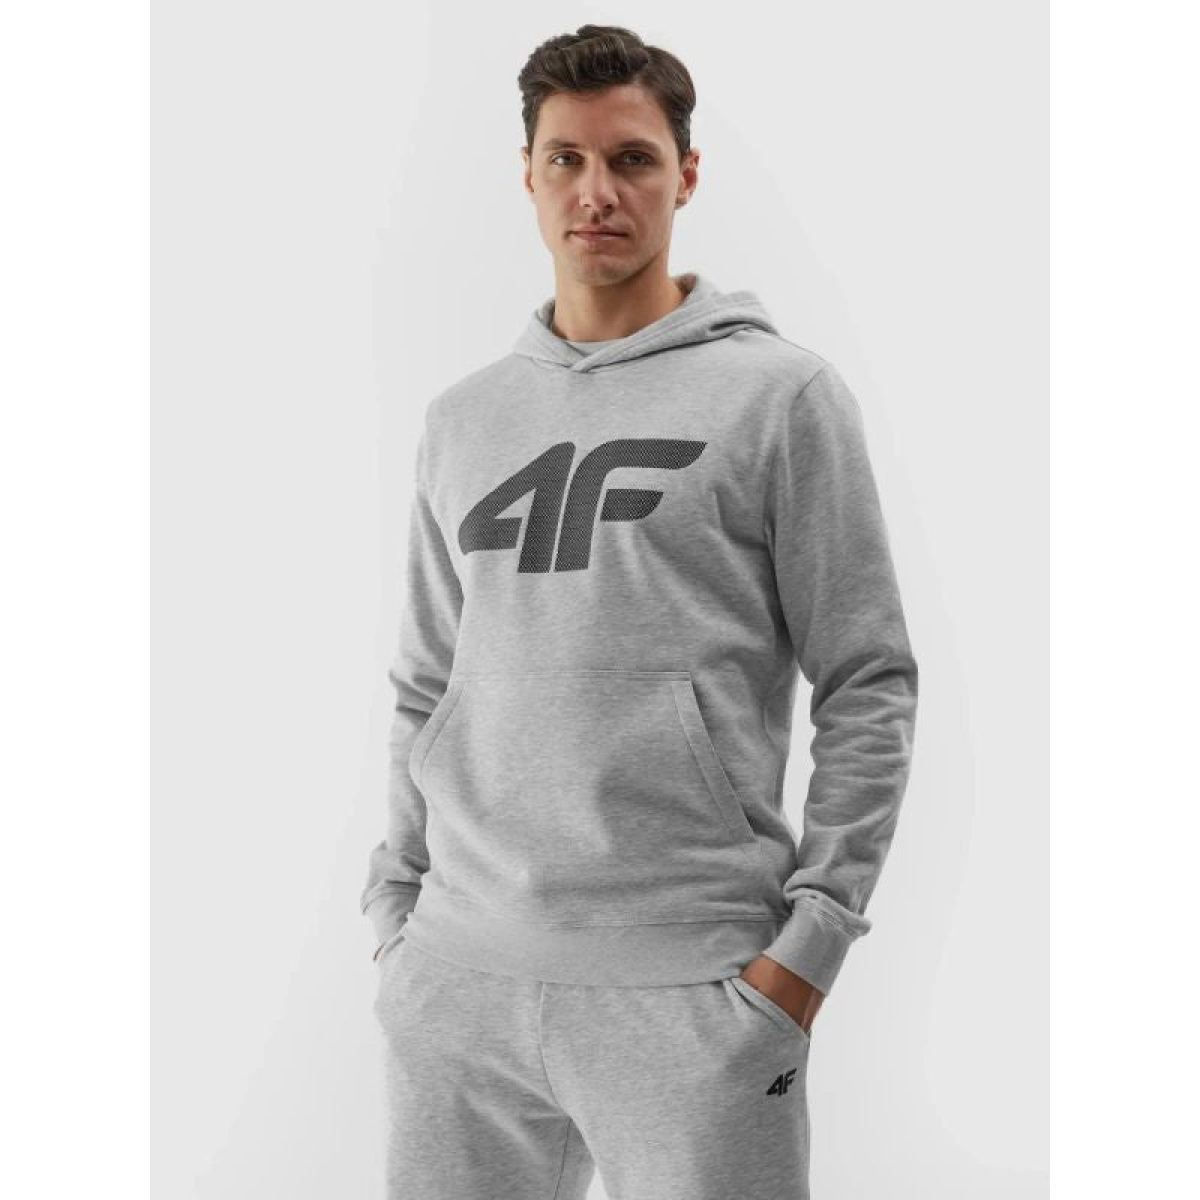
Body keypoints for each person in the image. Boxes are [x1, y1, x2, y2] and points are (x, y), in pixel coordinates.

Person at [360, 23, 918, 1200]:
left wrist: (809, 949)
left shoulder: (780, 398)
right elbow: (427, 679)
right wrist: (394, 918)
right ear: (527, 176)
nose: (596, 192)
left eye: (632, 159)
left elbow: (868, 678)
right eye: (565, 159)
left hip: (694, 988)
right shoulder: (464, 419)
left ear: (686, 174)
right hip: (458, 983)